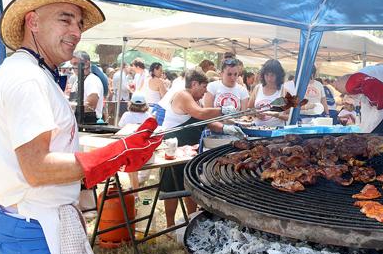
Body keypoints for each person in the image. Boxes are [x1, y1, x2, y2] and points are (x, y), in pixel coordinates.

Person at [0, 0, 162, 254]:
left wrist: (114, 153)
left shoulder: (26, 71)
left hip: (20, 223)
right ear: (33, 21)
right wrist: (112, 155)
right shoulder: (28, 79)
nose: (76, 31)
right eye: (65, 19)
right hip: (37, 229)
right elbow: (37, 168)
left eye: (79, 23)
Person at [160, 70, 240, 228]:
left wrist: (225, 129)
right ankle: (170, 227)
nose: (205, 91)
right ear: (194, 84)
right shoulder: (183, 95)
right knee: (171, 188)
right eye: (203, 87)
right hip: (173, 149)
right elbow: (198, 113)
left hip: (190, 151)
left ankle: (191, 221)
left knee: (191, 185)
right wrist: (222, 109)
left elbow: (207, 121)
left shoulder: (197, 101)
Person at [117, 94, 153, 192]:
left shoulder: (126, 115)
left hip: (130, 148)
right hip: (144, 148)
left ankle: (134, 191)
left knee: (133, 171)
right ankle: (135, 191)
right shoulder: (148, 116)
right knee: (138, 173)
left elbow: (120, 129)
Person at [247, 59, 288, 127]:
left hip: (277, 133)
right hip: (257, 131)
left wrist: (277, 115)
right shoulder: (257, 88)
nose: (269, 78)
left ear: (278, 76)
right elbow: (249, 109)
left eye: (272, 75)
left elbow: (290, 116)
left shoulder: (284, 91)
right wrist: (256, 114)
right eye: (267, 75)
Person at [70, 50, 104, 121]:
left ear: (87, 64)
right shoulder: (77, 80)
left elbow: (90, 106)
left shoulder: (92, 80)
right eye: (72, 64)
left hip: (89, 123)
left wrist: (68, 105)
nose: (73, 67)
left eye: (76, 64)